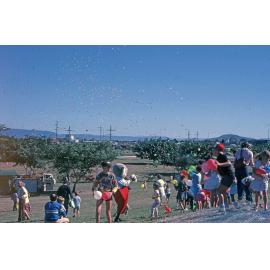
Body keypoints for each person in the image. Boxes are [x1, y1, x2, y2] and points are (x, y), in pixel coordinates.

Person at [214, 143, 236, 214]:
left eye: (214, 149)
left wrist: (220, 164)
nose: (213, 150)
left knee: (219, 191)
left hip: (228, 176)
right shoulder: (218, 157)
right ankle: (226, 206)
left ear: (218, 150)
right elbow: (220, 169)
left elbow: (229, 163)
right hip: (227, 176)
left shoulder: (222, 156)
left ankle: (222, 207)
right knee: (223, 192)